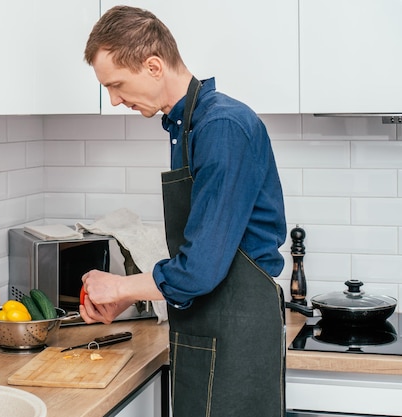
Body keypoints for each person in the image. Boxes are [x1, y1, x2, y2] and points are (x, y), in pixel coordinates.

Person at [80, 6, 287, 417]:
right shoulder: (187, 127)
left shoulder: (221, 127)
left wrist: (120, 288)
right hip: (207, 331)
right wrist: (131, 297)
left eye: (117, 84)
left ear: (153, 65)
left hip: (236, 341)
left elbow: (200, 269)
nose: (115, 99)